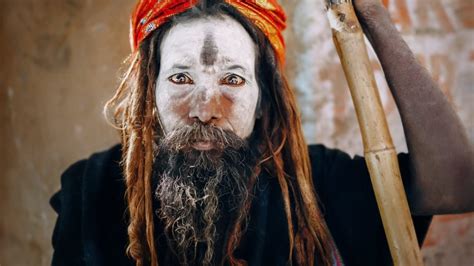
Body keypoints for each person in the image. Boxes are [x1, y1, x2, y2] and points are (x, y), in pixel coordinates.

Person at [50, 0, 474, 265]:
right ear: (151, 91)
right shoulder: (92, 190)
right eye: (181, 79)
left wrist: (374, 18)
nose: (205, 110)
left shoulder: (315, 184)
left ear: (263, 97)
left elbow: (455, 187)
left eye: (232, 81)